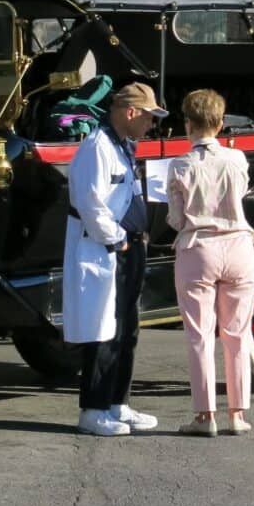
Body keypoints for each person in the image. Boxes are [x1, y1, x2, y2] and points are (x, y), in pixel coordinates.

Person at [63, 81, 168, 436]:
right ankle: (92, 411)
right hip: (108, 250)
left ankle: (117, 403)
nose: (152, 124)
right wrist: (119, 239)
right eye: (149, 117)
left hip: (129, 247)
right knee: (103, 330)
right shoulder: (97, 147)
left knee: (128, 329)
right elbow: (89, 203)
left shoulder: (123, 145)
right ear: (130, 112)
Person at [166, 89, 254, 437]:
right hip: (238, 246)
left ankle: (205, 416)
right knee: (236, 334)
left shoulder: (180, 165)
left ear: (187, 123)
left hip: (198, 247)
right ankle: (237, 414)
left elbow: (175, 219)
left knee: (199, 335)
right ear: (220, 123)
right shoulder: (238, 160)